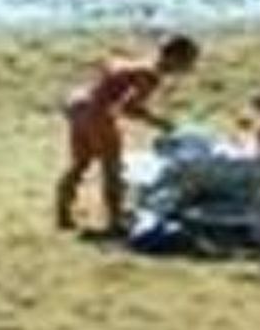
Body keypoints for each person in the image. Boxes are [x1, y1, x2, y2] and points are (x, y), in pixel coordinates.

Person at [55, 34, 200, 234]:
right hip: (98, 112)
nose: (188, 68)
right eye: (188, 61)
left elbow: (108, 68)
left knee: (80, 163)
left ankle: (63, 214)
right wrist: (162, 124)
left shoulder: (137, 63)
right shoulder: (150, 75)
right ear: (174, 58)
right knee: (112, 168)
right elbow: (129, 107)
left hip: (78, 105)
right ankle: (115, 222)